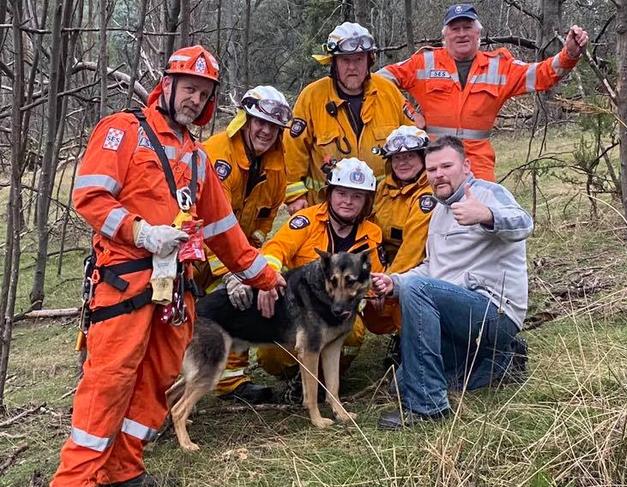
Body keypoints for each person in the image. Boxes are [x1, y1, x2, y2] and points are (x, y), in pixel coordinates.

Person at [52, 46, 283, 486]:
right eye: (190, 89)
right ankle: (76, 479)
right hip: (123, 283)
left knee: (155, 380)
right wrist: (142, 233)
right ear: (169, 84)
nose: (195, 99)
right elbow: (91, 197)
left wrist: (266, 275)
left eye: (204, 93)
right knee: (109, 381)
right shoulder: (123, 130)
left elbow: (224, 230)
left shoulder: (197, 158)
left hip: (175, 289)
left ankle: (124, 469)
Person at [372, 135, 533, 429]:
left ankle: (428, 407)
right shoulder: (439, 212)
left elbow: (524, 223)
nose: (438, 174)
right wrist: (394, 282)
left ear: (466, 166)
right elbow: (433, 268)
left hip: (493, 313)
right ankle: (501, 362)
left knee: (418, 293)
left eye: (446, 166)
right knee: (403, 381)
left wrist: (486, 215)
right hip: (456, 318)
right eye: (432, 170)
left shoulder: (487, 194)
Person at [377, 3, 589, 182]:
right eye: (455, 28)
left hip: (477, 164)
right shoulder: (423, 62)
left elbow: (542, 74)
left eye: (467, 27)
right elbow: (380, 79)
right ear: (445, 35)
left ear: (478, 33)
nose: (461, 34)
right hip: (432, 161)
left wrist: (569, 54)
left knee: (480, 224)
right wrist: (409, 113)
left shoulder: (499, 66)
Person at [229, 158, 383, 402]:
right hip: (299, 309)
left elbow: (371, 280)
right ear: (330, 193)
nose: (348, 201)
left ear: (366, 202)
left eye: (357, 196)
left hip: (339, 311)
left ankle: (324, 380)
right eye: (341, 193)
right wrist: (267, 281)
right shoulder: (306, 220)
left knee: (353, 333)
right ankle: (295, 378)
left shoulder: (371, 234)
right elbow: (275, 249)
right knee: (272, 354)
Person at [199, 86, 292, 404]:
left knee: (244, 296)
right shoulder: (217, 154)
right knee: (178, 315)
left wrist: (248, 265)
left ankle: (230, 380)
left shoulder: (277, 170)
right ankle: (166, 386)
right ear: (245, 120)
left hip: (233, 254)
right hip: (194, 249)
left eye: (273, 126)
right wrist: (229, 272)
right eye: (259, 122)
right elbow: (208, 220)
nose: (265, 131)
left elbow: (262, 226)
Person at [284, 22, 416, 213]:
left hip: (382, 208)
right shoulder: (312, 97)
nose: (352, 67)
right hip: (325, 210)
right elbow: (292, 152)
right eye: (345, 60)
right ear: (333, 63)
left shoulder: (389, 93)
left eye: (359, 59)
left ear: (369, 61)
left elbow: (414, 140)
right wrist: (295, 196)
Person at [362, 126, 434, 367]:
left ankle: (413, 344)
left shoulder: (427, 195)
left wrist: (388, 283)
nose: (403, 163)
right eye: (397, 158)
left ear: (423, 157)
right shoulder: (383, 190)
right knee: (373, 313)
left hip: (420, 267)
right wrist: (373, 278)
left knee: (408, 297)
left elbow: (413, 248)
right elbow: (368, 233)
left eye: (410, 156)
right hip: (386, 265)